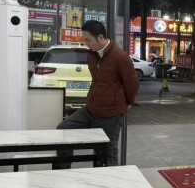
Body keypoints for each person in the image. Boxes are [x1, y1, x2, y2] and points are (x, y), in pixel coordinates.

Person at [56, 20, 140, 167]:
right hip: (90, 110)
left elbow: (132, 84)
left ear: (100, 37)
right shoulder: (92, 54)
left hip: (110, 114)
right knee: (64, 129)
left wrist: (128, 103)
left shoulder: (120, 57)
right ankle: (63, 169)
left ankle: (109, 180)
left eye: (88, 40)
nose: (86, 44)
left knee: (106, 154)